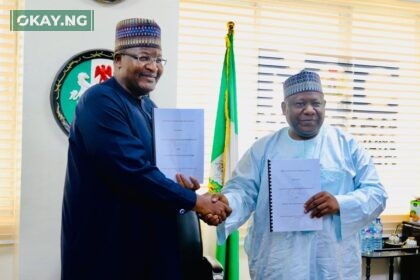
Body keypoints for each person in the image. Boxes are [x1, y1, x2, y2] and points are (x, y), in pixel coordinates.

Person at [61, 18, 231, 280]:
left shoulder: (149, 107)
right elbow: (132, 172)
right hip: (108, 252)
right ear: (118, 60)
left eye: (159, 60)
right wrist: (196, 202)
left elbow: (157, 173)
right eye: (143, 57)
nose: (153, 67)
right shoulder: (100, 100)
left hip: (147, 249)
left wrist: (185, 186)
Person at [215, 70, 388, 279]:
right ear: (283, 108)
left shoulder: (347, 146)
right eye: (299, 104)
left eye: (316, 103)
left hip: (332, 264)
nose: (309, 110)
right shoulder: (263, 149)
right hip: (279, 262)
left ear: (324, 106)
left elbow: (376, 194)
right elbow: (242, 192)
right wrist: (225, 203)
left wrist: (340, 203)